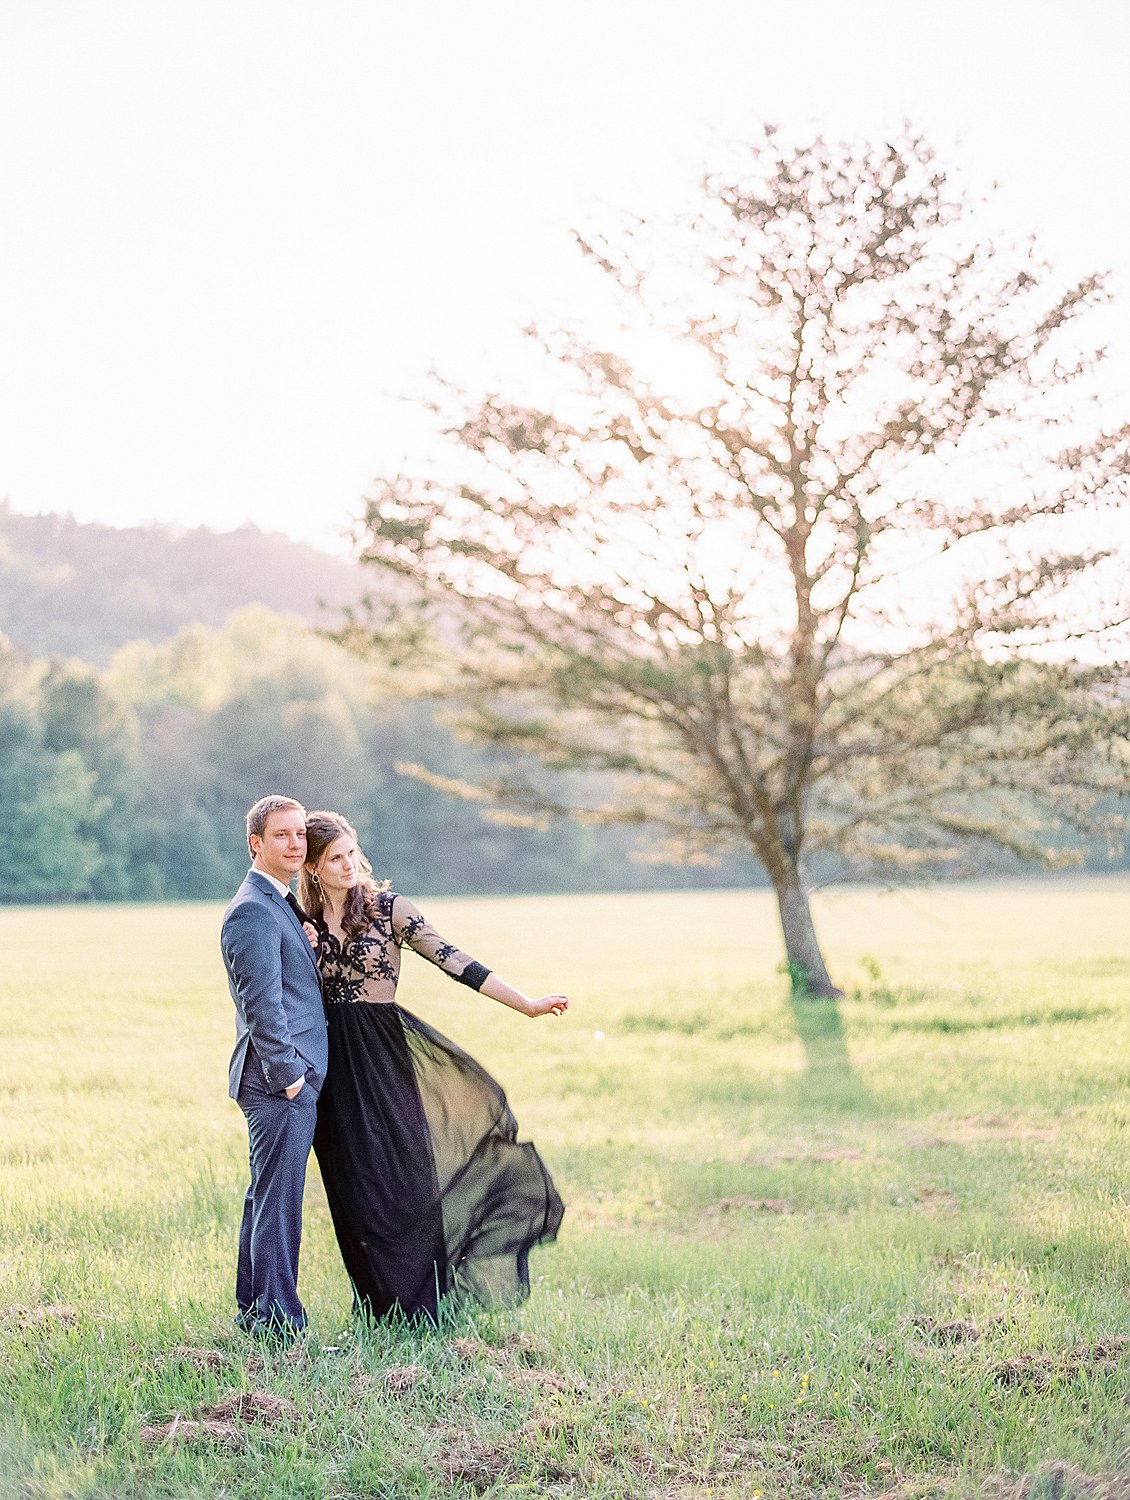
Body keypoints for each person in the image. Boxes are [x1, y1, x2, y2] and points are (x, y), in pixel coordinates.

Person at [299, 809, 567, 1323]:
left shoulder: (389, 910)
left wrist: (527, 1004)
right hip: (332, 1068)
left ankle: (427, 1302)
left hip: (386, 1057)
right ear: (313, 867)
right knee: (352, 1189)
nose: (349, 864)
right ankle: (376, 1310)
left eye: (352, 852)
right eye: (335, 858)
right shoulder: (301, 921)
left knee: (407, 1181)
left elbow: (456, 961)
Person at [220, 794, 328, 1341]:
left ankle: (257, 1312)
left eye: (299, 835)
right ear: (256, 843)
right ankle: (279, 1323)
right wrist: (291, 1077)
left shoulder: (278, 901)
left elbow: (286, 976)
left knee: (268, 1196)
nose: (294, 844)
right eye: (281, 835)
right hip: (276, 1082)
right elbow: (262, 1004)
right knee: (279, 1203)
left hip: (283, 1080)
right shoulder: (251, 909)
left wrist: (305, 943)